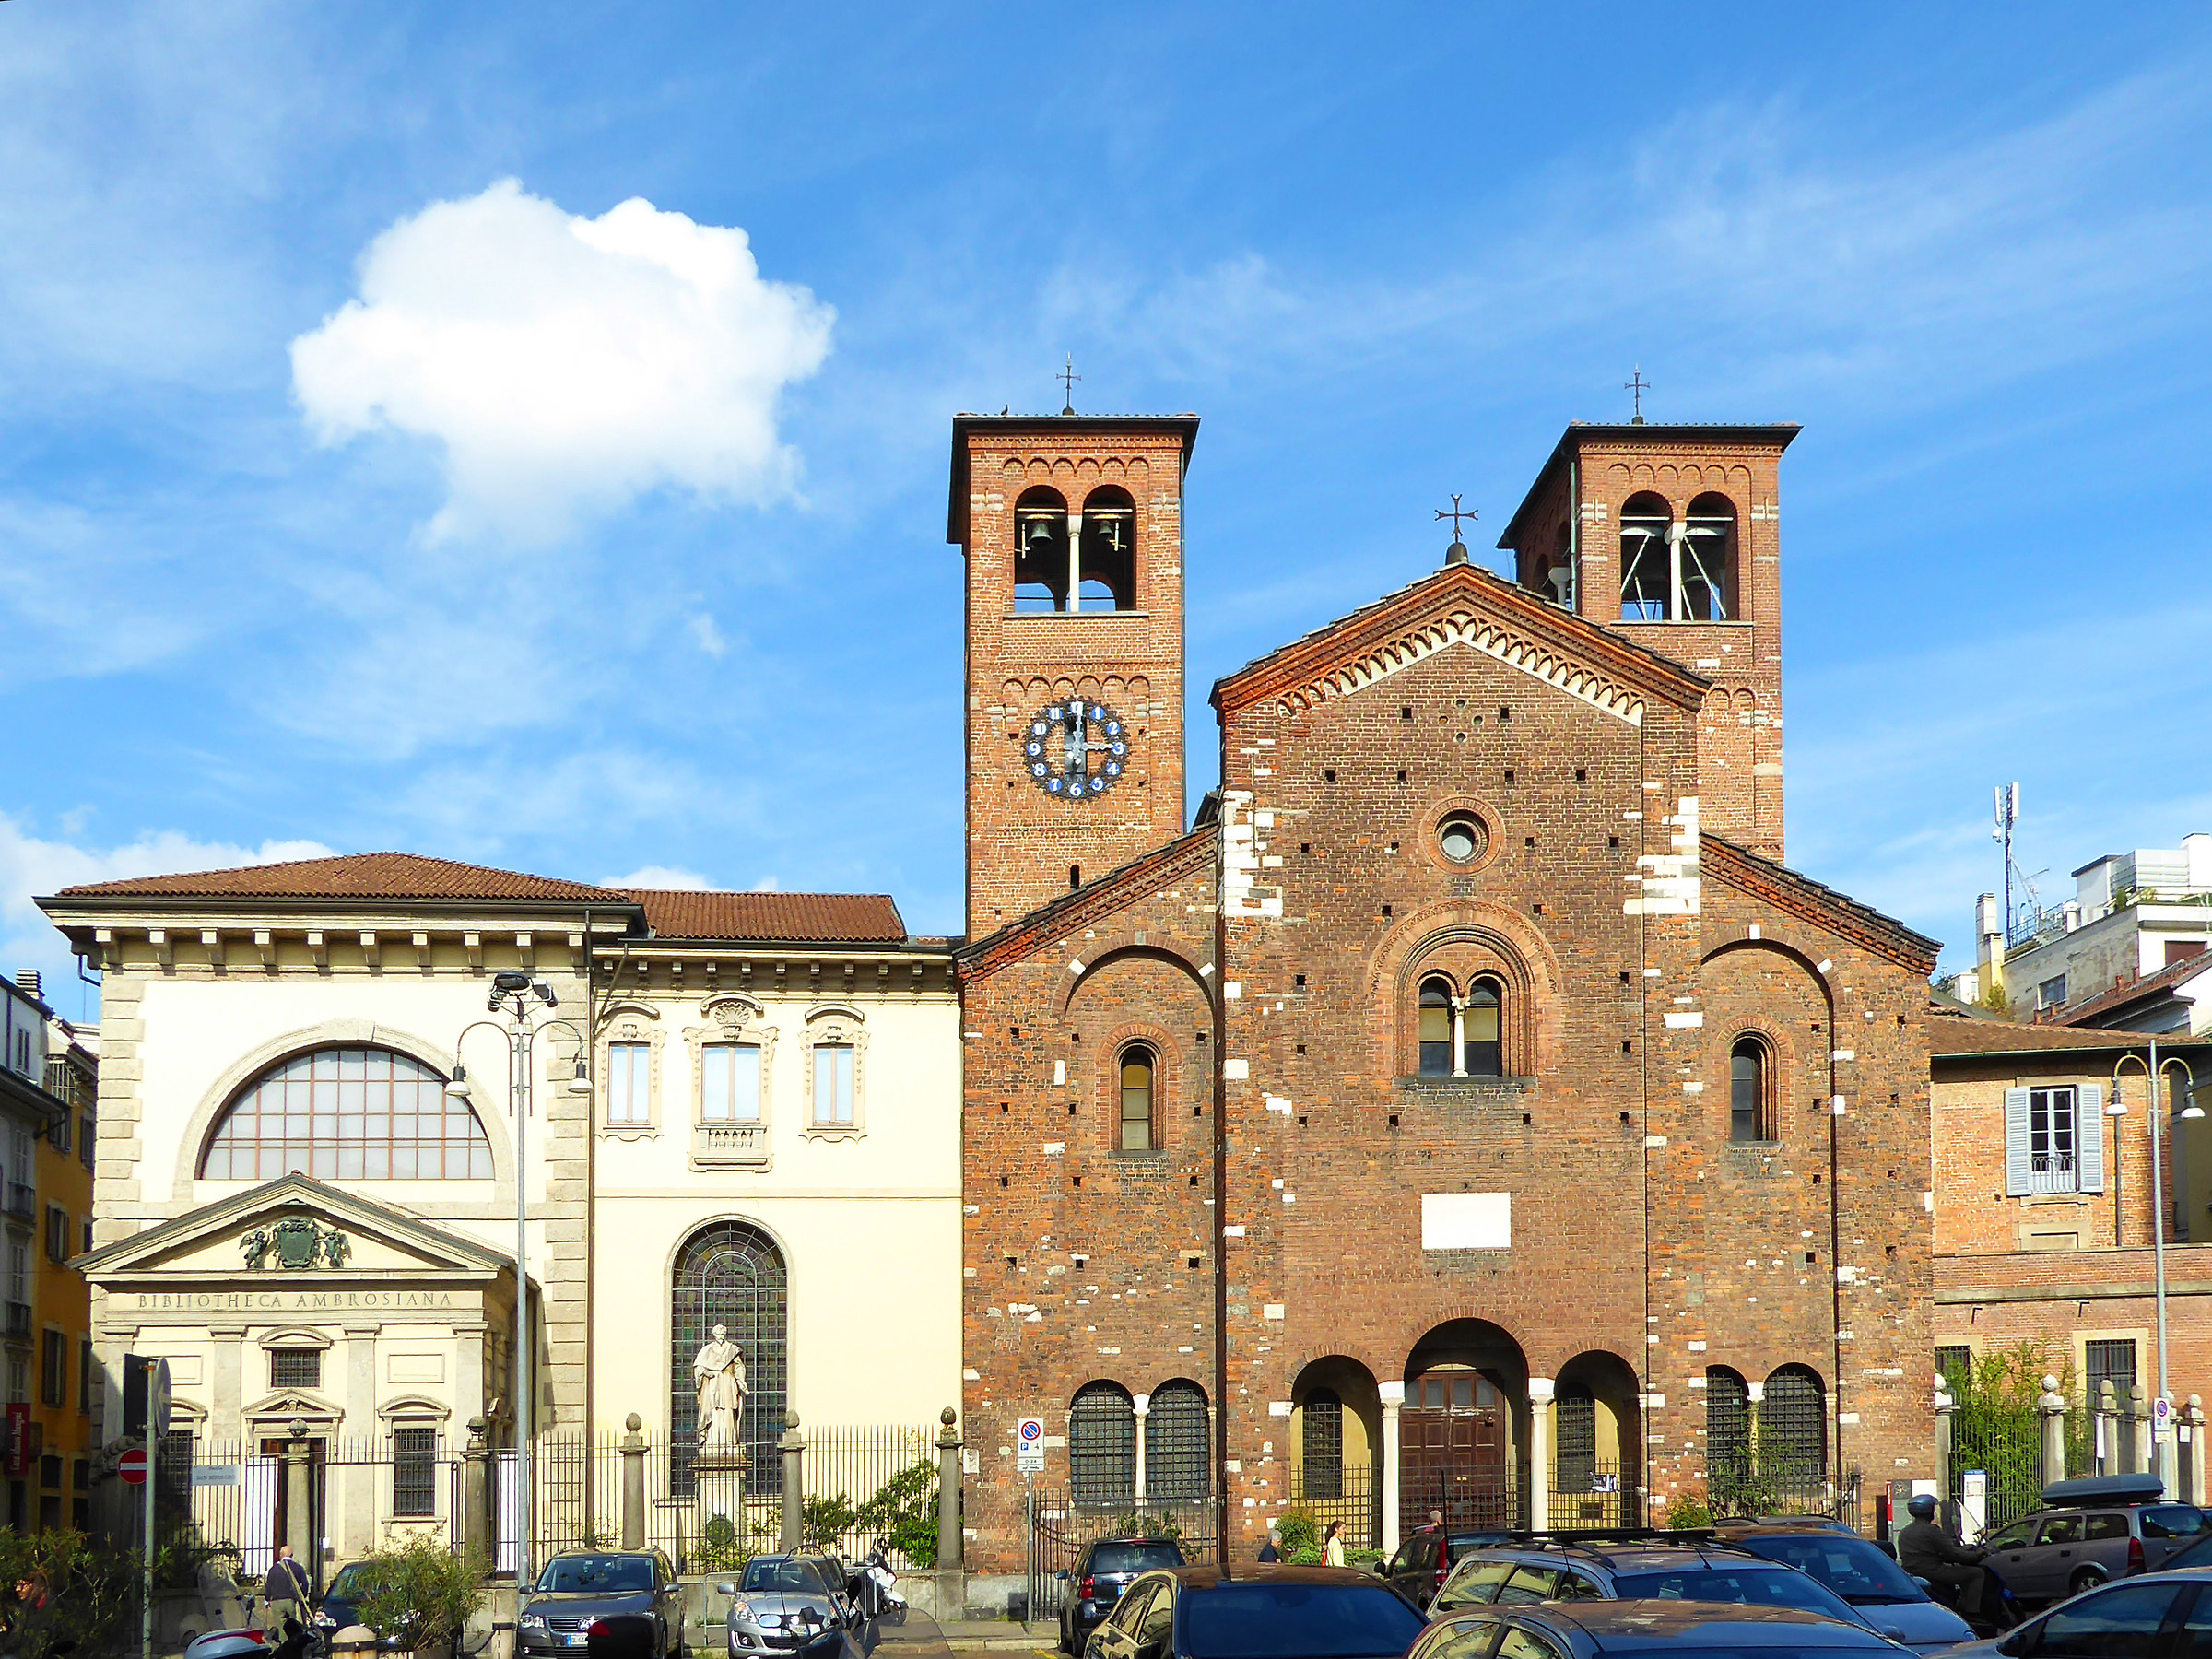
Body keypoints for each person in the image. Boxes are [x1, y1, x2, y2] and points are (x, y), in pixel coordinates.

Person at [1897, 1494, 1991, 1617]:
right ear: (1929, 1511)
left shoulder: (1905, 1531)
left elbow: (1933, 1551)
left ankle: (1958, 1604)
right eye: (1934, 1509)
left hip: (1913, 1572)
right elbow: (1952, 1555)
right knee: (1976, 1574)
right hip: (1934, 1571)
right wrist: (1976, 1555)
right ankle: (1972, 1613)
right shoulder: (1931, 1530)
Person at [262, 1545, 313, 1641]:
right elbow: (305, 1584)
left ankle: (284, 1646)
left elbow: (268, 1586)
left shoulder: (273, 1569)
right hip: (291, 1601)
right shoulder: (298, 1568)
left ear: (280, 1555)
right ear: (292, 1555)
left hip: (276, 1602)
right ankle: (294, 1644)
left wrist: (267, 1599)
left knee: (281, 1628)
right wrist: (301, 1596)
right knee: (292, 1626)